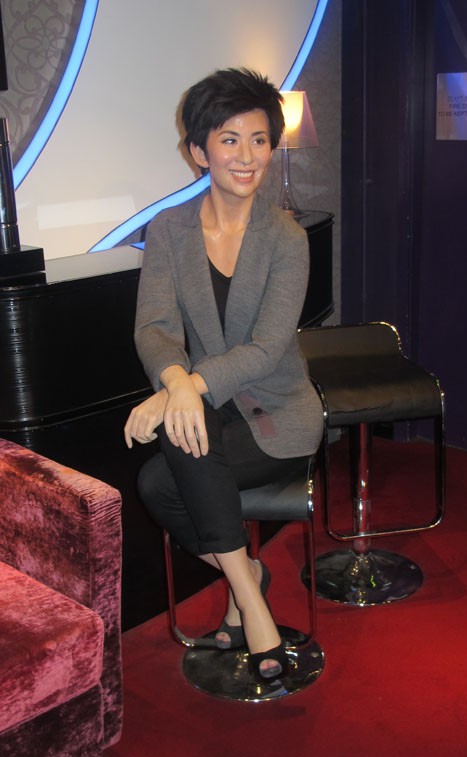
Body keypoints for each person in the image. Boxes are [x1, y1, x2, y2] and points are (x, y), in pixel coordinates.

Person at [124, 68, 323, 682]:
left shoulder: (286, 238)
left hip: (278, 412)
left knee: (175, 450)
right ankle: (249, 582)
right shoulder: (169, 230)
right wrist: (175, 380)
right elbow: (154, 327)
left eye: (259, 140)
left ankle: (249, 603)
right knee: (158, 482)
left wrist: (183, 389)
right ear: (198, 151)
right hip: (213, 409)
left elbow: (266, 348)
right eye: (229, 139)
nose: (247, 156)